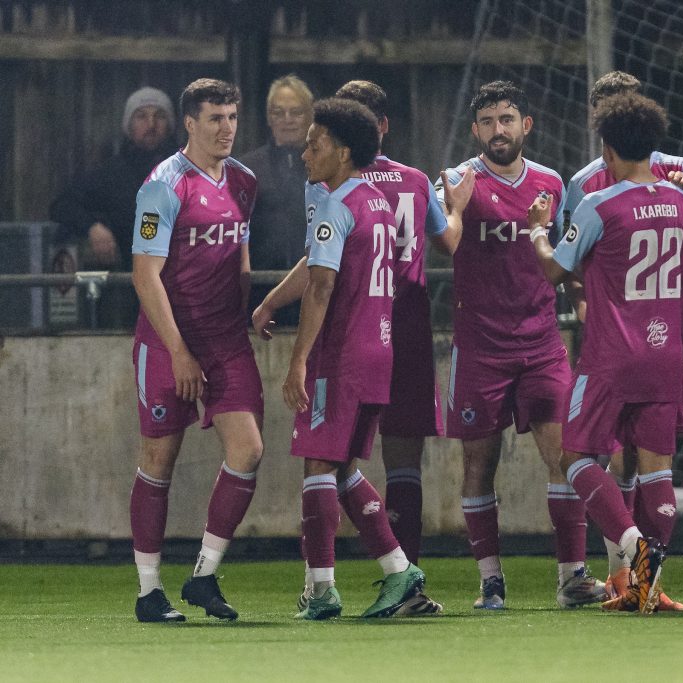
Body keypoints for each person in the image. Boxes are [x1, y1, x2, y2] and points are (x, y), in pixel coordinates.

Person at [529, 92, 683, 614]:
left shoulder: (598, 204)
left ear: (607, 150)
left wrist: (536, 232)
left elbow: (555, 270)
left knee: (575, 458)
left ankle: (635, 547)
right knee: (658, 469)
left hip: (610, 358)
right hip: (665, 356)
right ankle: (648, 587)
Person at [436, 80, 605, 609]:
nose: (497, 130)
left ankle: (571, 578)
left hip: (541, 343)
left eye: (506, 119)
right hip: (479, 347)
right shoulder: (458, 180)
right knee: (478, 466)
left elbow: (567, 259)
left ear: (525, 125)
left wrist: (586, 309)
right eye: (487, 122)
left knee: (566, 458)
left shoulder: (552, 183)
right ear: (475, 130)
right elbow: (447, 246)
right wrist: (455, 205)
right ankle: (490, 580)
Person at [286, 97, 440, 620]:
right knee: (346, 467)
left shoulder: (335, 204)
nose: (306, 153)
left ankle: (323, 590)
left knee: (318, 464)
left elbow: (322, 285)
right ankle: (400, 571)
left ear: (344, 151)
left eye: (316, 144)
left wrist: (298, 360)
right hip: (381, 349)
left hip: (343, 354)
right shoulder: (376, 201)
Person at [129, 79, 263, 623]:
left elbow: (242, 258)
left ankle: (204, 576)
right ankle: (148, 591)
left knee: (248, 450)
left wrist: (249, 308)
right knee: (159, 462)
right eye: (215, 118)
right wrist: (180, 352)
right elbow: (145, 275)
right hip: (168, 343)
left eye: (232, 116)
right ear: (190, 123)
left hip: (226, 340)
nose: (226, 127)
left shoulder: (245, 181)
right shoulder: (163, 185)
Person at [50, 86, 178, 327]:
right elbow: (61, 205)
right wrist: (93, 228)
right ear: (129, 126)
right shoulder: (110, 175)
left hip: (182, 289)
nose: (151, 124)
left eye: (159, 116)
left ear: (170, 125)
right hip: (127, 295)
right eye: (141, 116)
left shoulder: (188, 171)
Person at [240, 75, 315, 326]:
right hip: (262, 293)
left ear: (310, 116)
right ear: (269, 118)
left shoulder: (328, 165)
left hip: (316, 290)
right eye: (279, 112)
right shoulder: (248, 169)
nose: (287, 120)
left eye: (296, 112)